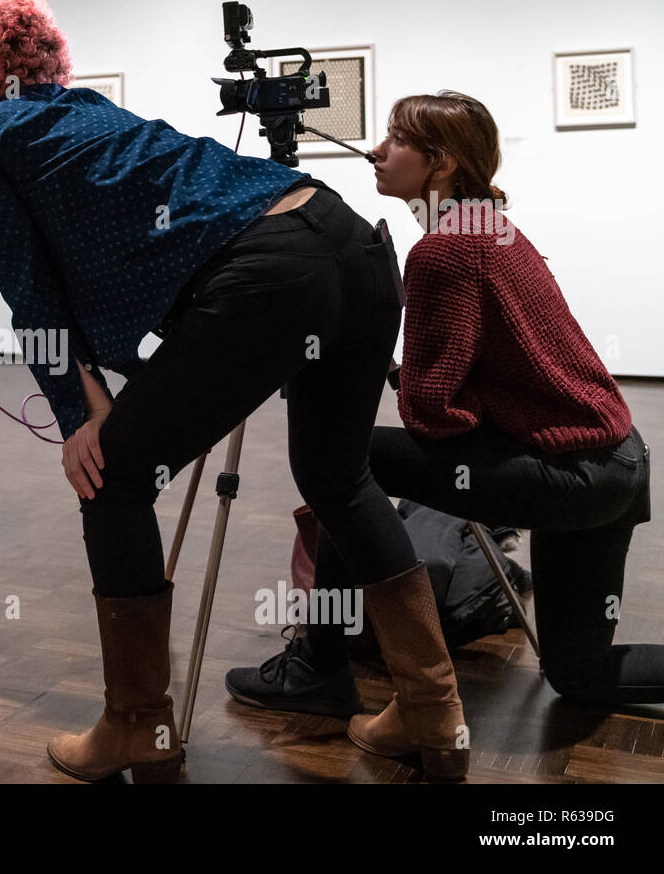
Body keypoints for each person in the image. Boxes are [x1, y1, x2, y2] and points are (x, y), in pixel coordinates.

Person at [0, 0, 469, 781]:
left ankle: (136, 727)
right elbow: (34, 203)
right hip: (350, 244)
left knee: (111, 477)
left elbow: (31, 288)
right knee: (339, 475)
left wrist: (81, 412)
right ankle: (435, 713)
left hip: (267, 277)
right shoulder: (82, 112)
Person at [227, 92, 660, 752]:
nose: (377, 150)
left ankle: (320, 667)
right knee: (577, 672)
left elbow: (433, 413)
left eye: (396, 139)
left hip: (572, 476)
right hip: (618, 463)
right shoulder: (493, 227)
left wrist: (376, 324)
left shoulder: (443, 252)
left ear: (442, 162)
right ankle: (325, 663)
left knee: (344, 456)